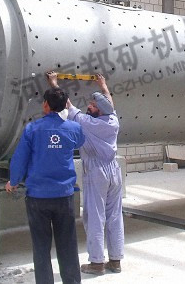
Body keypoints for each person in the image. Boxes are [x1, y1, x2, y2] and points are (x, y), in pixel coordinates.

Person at [46, 71, 124, 275]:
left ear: (99, 110)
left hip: (97, 172)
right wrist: (103, 85)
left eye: (93, 105)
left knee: (94, 216)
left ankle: (97, 263)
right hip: (114, 171)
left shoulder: (88, 123)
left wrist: (54, 83)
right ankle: (115, 261)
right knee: (114, 215)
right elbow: (110, 104)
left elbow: (66, 104)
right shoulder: (113, 120)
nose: (89, 106)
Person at [5, 87, 85, 284]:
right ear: (65, 106)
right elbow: (79, 142)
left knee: (41, 247)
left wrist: (13, 182)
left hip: (38, 197)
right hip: (64, 196)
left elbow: (20, 159)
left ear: (46, 105)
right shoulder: (74, 128)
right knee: (67, 244)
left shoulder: (32, 129)